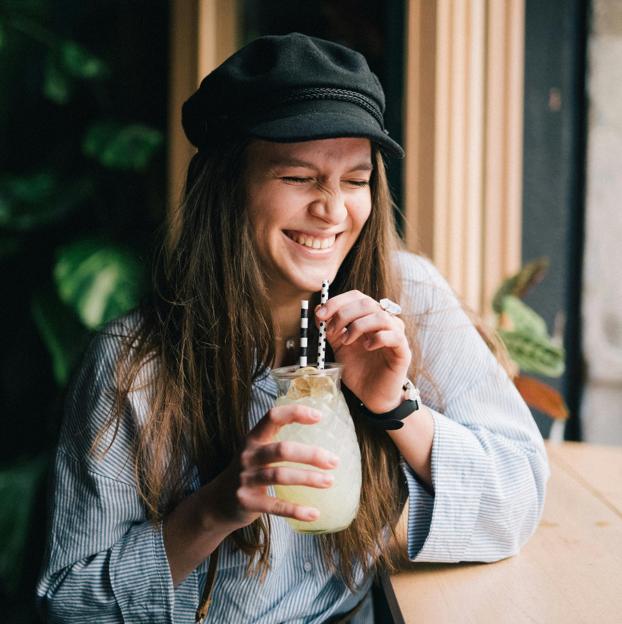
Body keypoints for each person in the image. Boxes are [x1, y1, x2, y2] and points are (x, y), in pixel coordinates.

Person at [36, 33, 549, 623]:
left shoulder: (407, 296)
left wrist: (395, 408)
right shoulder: (134, 363)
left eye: (355, 181)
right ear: (228, 186)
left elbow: (517, 500)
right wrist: (217, 506)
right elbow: (69, 605)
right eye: (299, 178)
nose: (332, 210)